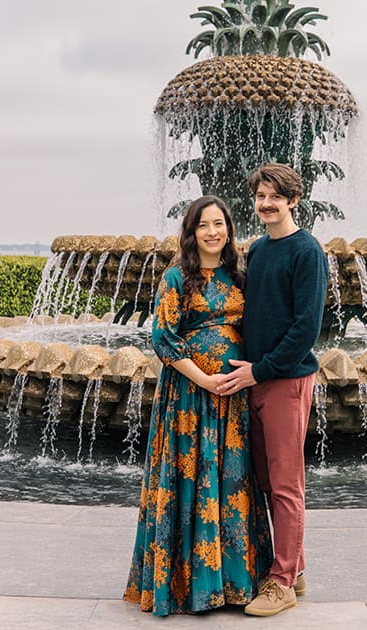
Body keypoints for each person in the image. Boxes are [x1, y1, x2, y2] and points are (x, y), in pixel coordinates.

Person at [124, 195, 273, 615]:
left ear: (229, 229)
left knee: (232, 480)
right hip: (190, 397)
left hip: (235, 397)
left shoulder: (237, 274)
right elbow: (163, 338)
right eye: (204, 225)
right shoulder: (176, 277)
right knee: (192, 478)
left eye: (220, 224)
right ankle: (190, 587)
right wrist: (205, 379)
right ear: (191, 232)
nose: (213, 232)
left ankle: (236, 584)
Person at [218, 163, 327, 618]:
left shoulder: (307, 251)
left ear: (293, 201)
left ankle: (280, 583)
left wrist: (260, 371)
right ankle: (293, 568)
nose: (265, 204)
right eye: (260, 197)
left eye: (274, 198)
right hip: (256, 379)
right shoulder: (259, 250)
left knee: (286, 484)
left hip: (283, 381)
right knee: (265, 479)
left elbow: (306, 328)